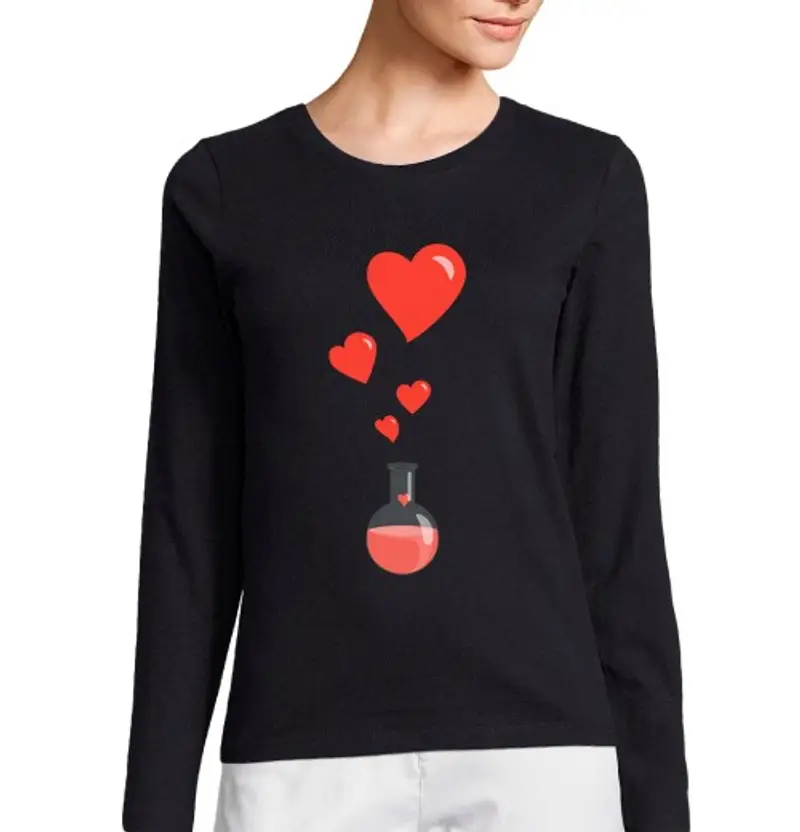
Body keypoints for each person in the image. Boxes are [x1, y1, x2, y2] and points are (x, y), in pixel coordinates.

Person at [123, 0, 690, 830]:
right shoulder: (226, 190)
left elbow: (620, 529)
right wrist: (153, 808)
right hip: (297, 768)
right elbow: (189, 533)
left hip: (543, 768)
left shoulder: (584, 181)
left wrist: (661, 809)